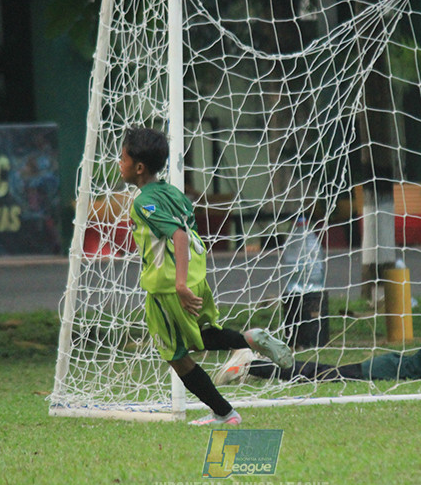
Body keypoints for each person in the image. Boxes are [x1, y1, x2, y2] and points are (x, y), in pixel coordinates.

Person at [119, 126, 293, 426]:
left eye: (122, 158)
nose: (118, 163)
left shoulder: (142, 203)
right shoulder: (175, 193)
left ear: (138, 167)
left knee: (176, 355)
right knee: (200, 337)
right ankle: (247, 340)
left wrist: (180, 284)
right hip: (197, 276)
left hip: (169, 287)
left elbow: (178, 235)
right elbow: (191, 229)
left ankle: (225, 413)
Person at [214, 287, 421, 385]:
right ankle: (253, 364)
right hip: (381, 371)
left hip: (387, 371)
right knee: (321, 375)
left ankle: (255, 366)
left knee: (320, 373)